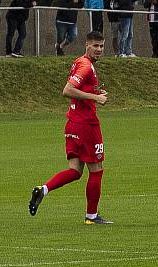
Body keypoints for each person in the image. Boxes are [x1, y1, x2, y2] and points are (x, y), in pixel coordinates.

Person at [29, 31, 113, 225]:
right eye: (95, 46)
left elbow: (78, 89)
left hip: (72, 123)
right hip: (86, 125)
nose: (99, 50)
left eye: (101, 46)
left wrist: (94, 91)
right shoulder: (86, 66)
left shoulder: (78, 61)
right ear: (87, 45)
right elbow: (67, 90)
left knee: (75, 170)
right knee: (97, 169)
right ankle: (91, 216)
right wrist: (96, 98)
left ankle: (43, 189)